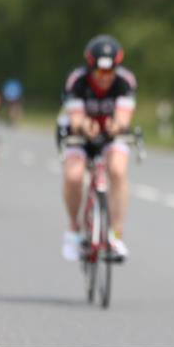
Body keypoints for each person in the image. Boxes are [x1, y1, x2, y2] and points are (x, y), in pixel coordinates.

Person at [61, 34, 136, 261]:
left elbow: (124, 117)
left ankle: (116, 234)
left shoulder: (125, 81)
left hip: (110, 135)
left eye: (109, 72)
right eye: (99, 72)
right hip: (81, 135)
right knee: (74, 176)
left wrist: (117, 125)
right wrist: (84, 125)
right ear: (90, 67)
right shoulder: (77, 80)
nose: (104, 78)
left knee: (117, 171)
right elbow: (75, 119)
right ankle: (74, 230)